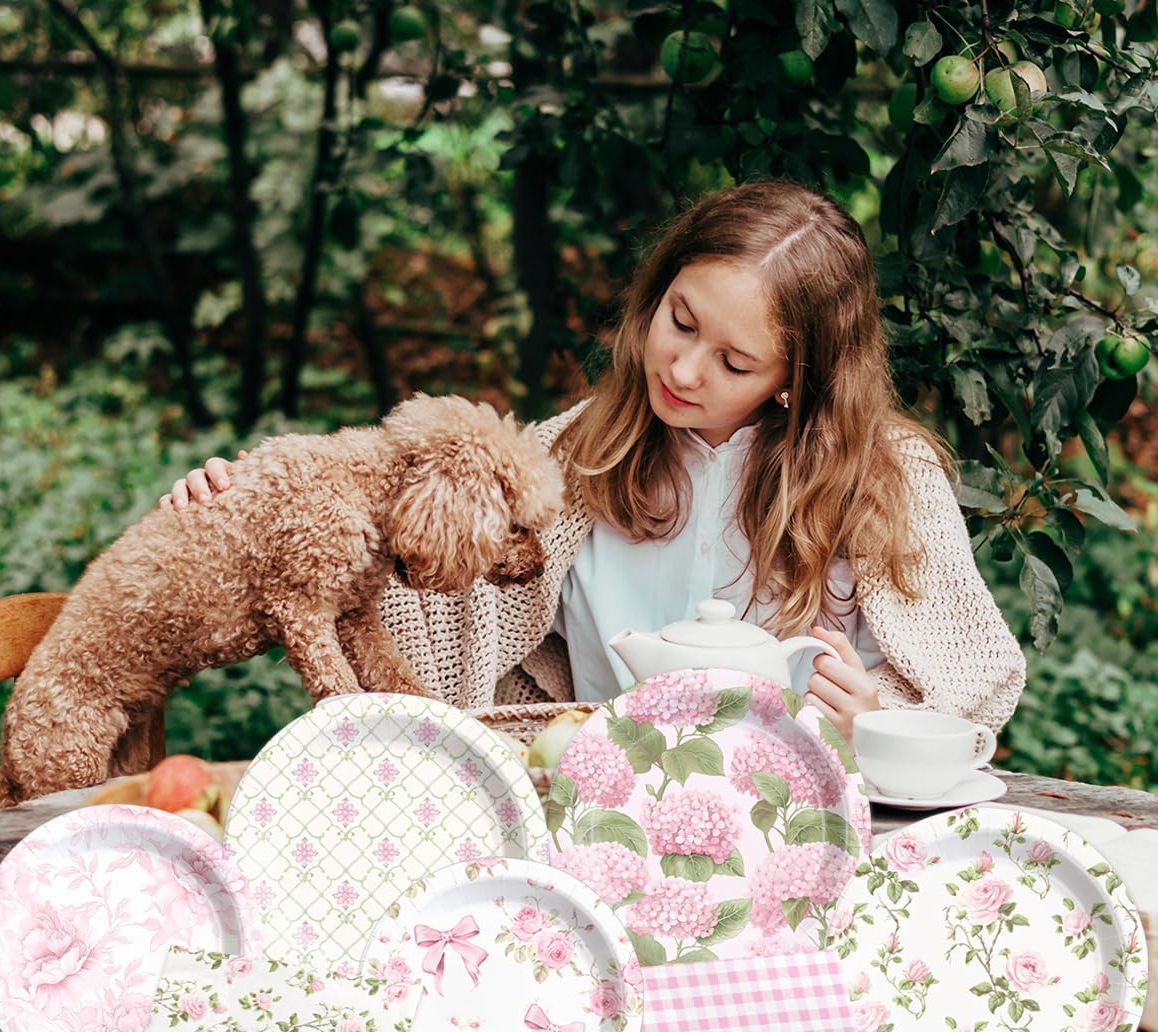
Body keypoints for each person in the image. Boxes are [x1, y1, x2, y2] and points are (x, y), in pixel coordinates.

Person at [161, 180, 1026, 743]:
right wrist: (253, 519)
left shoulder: (888, 482)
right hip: (592, 816)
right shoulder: (570, 458)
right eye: (680, 321)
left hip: (813, 826)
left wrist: (880, 723)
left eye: (734, 363)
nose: (683, 370)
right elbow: (408, 598)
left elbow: (971, 690)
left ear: (797, 381)